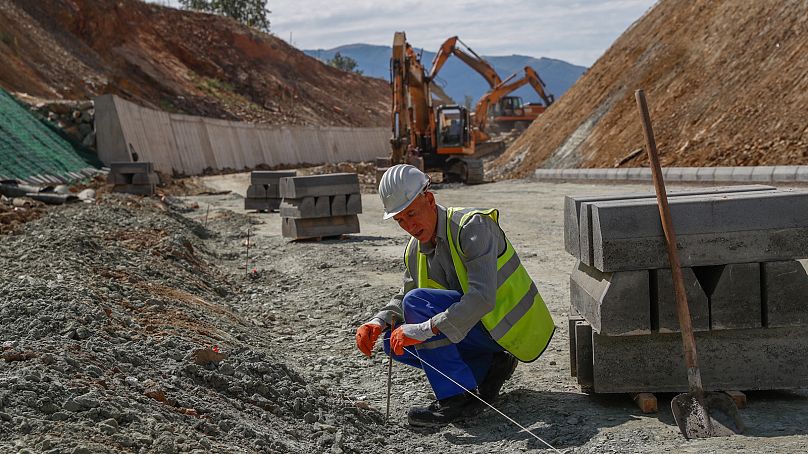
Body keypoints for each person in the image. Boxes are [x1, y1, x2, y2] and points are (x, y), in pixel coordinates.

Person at [355, 164, 556, 427]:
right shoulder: (416, 249)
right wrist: (378, 321)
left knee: (416, 308)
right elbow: (403, 295)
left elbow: (482, 297)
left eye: (412, 213)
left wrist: (425, 329)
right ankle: (490, 368)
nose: (409, 226)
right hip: (479, 332)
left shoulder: (472, 227)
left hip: (510, 328)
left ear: (429, 199)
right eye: (400, 220)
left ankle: (456, 397)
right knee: (392, 341)